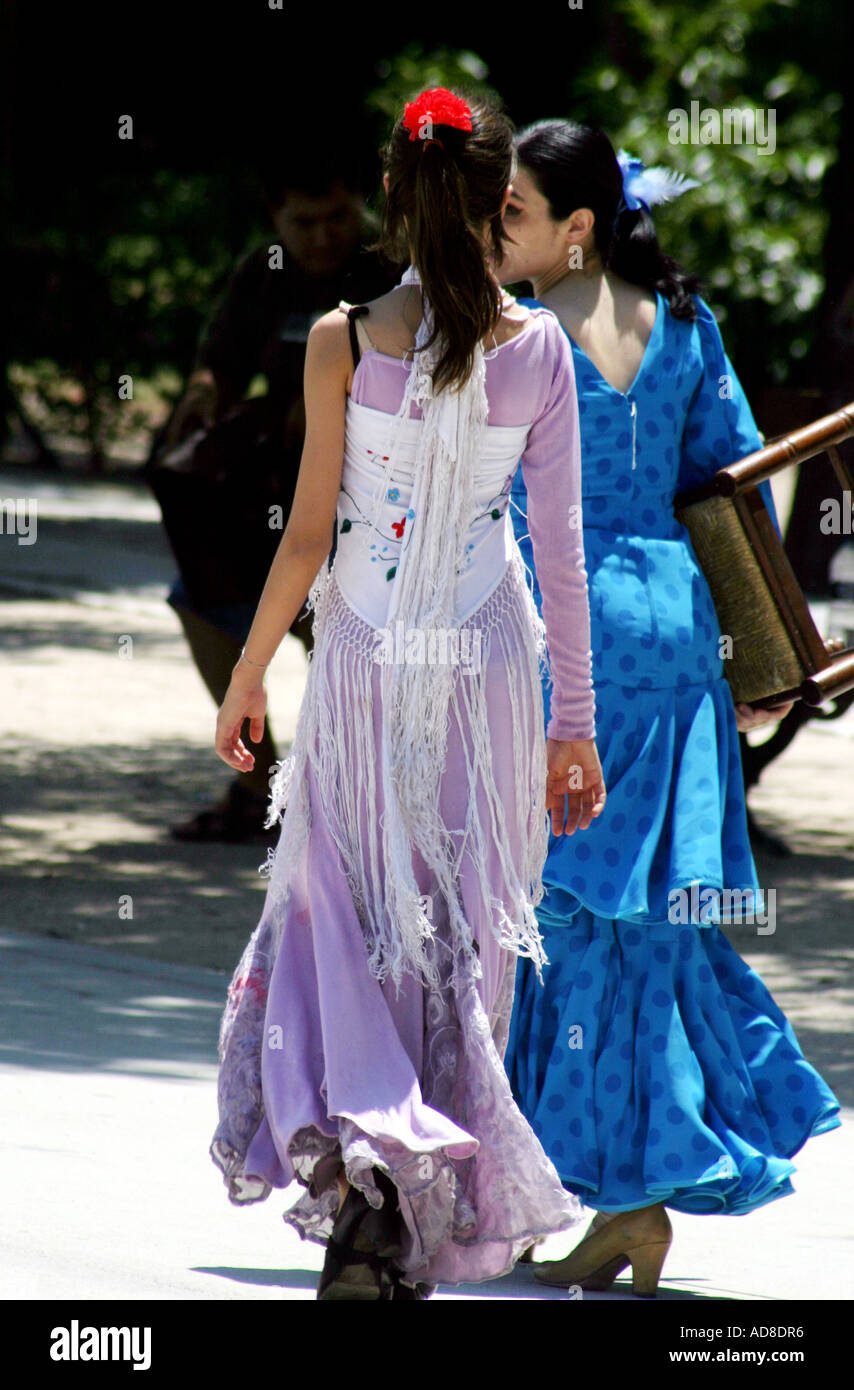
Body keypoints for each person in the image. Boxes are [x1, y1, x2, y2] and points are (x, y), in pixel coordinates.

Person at [207, 89, 607, 1299]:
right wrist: (573, 727)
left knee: (348, 912)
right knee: (460, 935)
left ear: (389, 196)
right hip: (487, 667)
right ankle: (406, 1205)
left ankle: (372, 1205)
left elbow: (307, 537)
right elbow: (560, 548)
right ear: (499, 204)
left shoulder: (338, 338)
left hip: (367, 661)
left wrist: (245, 677)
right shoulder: (539, 348)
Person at [500, 120, 841, 1296]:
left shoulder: (527, 334)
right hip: (679, 632)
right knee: (647, 924)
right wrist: (761, 667)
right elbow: (732, 485)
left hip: (567, 634)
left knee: (571, 925)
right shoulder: (686, 325)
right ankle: (622, 1195)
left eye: (510, 212)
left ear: (575, 223)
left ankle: (623, 1195)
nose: (494, 232)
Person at [148, 153, 396, 841]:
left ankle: (346, 807)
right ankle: (261, 792)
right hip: (265, 497)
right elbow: (221, 360)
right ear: (275, 220)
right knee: (197, 605)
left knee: (342, 643)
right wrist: (204, 392)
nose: (321, 237)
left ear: (359, 204)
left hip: (365, 509)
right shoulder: (264, 273)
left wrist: (336, 403)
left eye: (336, 218)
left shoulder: (387, 270)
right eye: (304, 223)